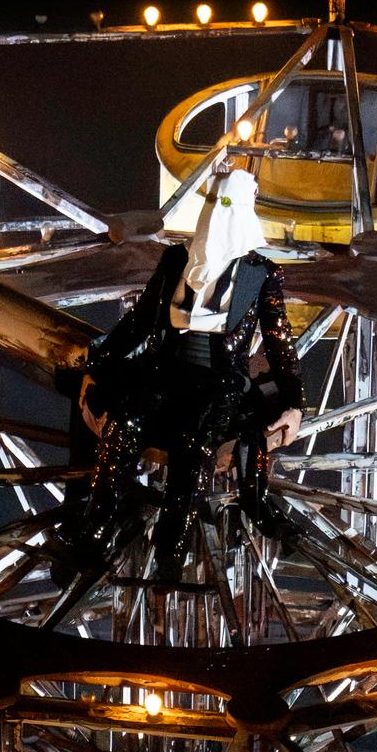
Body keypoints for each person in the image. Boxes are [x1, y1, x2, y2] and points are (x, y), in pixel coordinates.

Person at [58, 166, 305, 583]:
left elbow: (279, 340)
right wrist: (96, 368)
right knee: (124, 425)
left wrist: (296, 402)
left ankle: (172, 545)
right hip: (165, 372)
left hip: (219, 382)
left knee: (193, 441)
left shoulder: (260, 273)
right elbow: (137, 323)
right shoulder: (177, 260)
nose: (217, 214)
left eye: (226, 205)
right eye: (214, 203)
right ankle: (95, 528)